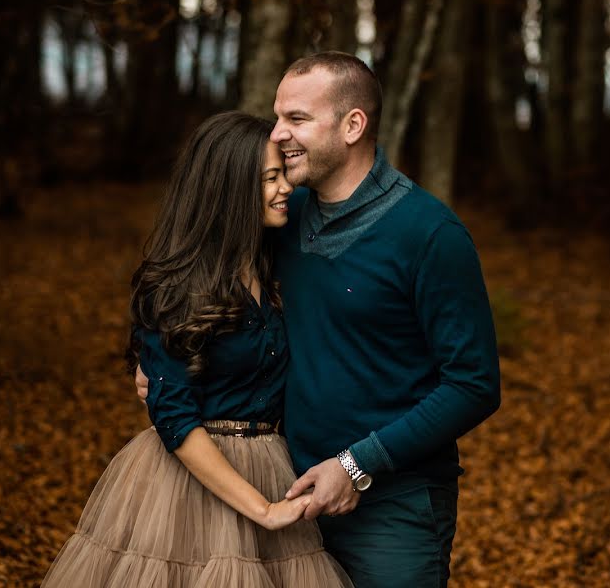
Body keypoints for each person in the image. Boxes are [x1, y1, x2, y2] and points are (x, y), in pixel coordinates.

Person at [139, 52, 502, 587]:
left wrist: (358, 464)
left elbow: (474, 384)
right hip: (283, 490)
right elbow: (202, 277)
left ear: (353, 125)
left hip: (393, 507)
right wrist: (160, 363)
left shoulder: (428, 234)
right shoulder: (282, 218)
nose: (279, 132)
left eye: (297, 119)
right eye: (278, 115)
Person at [43, 111, 353, 587]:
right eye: (270, 178)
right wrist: (263, 509)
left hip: (273, 462)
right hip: (189, 483)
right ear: (230, 190)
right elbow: (173, 416)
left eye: (282, 175)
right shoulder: (174, 283)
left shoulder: (274, 265)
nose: (285, 188)